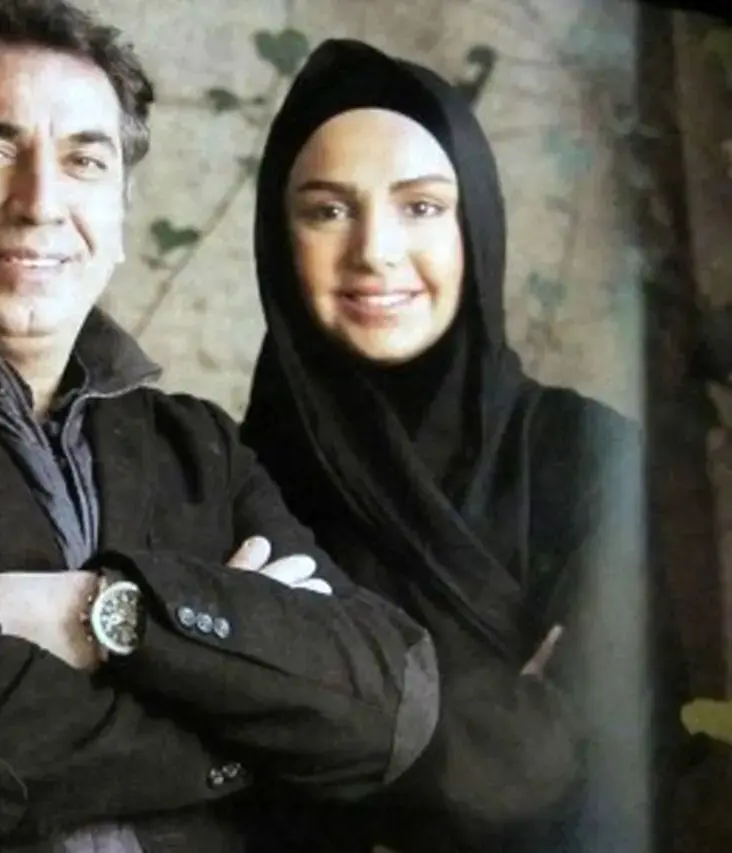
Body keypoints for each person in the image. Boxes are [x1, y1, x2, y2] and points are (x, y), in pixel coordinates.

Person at [0, 6, 440, 853]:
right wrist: (250, 709)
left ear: (118, 215)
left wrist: (107, 611)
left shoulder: (198, 448)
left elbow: (389, 704)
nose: (41, 202)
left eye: (84, 161)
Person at [240, 38, 692, 853]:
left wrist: (324, 713)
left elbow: (614, 761)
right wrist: (503, 731)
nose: (375, 250)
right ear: (280, 239)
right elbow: (225, 788)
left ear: (475, 227)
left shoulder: (583, 454)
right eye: (328, 210)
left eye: (420, 207)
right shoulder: (232, 477)